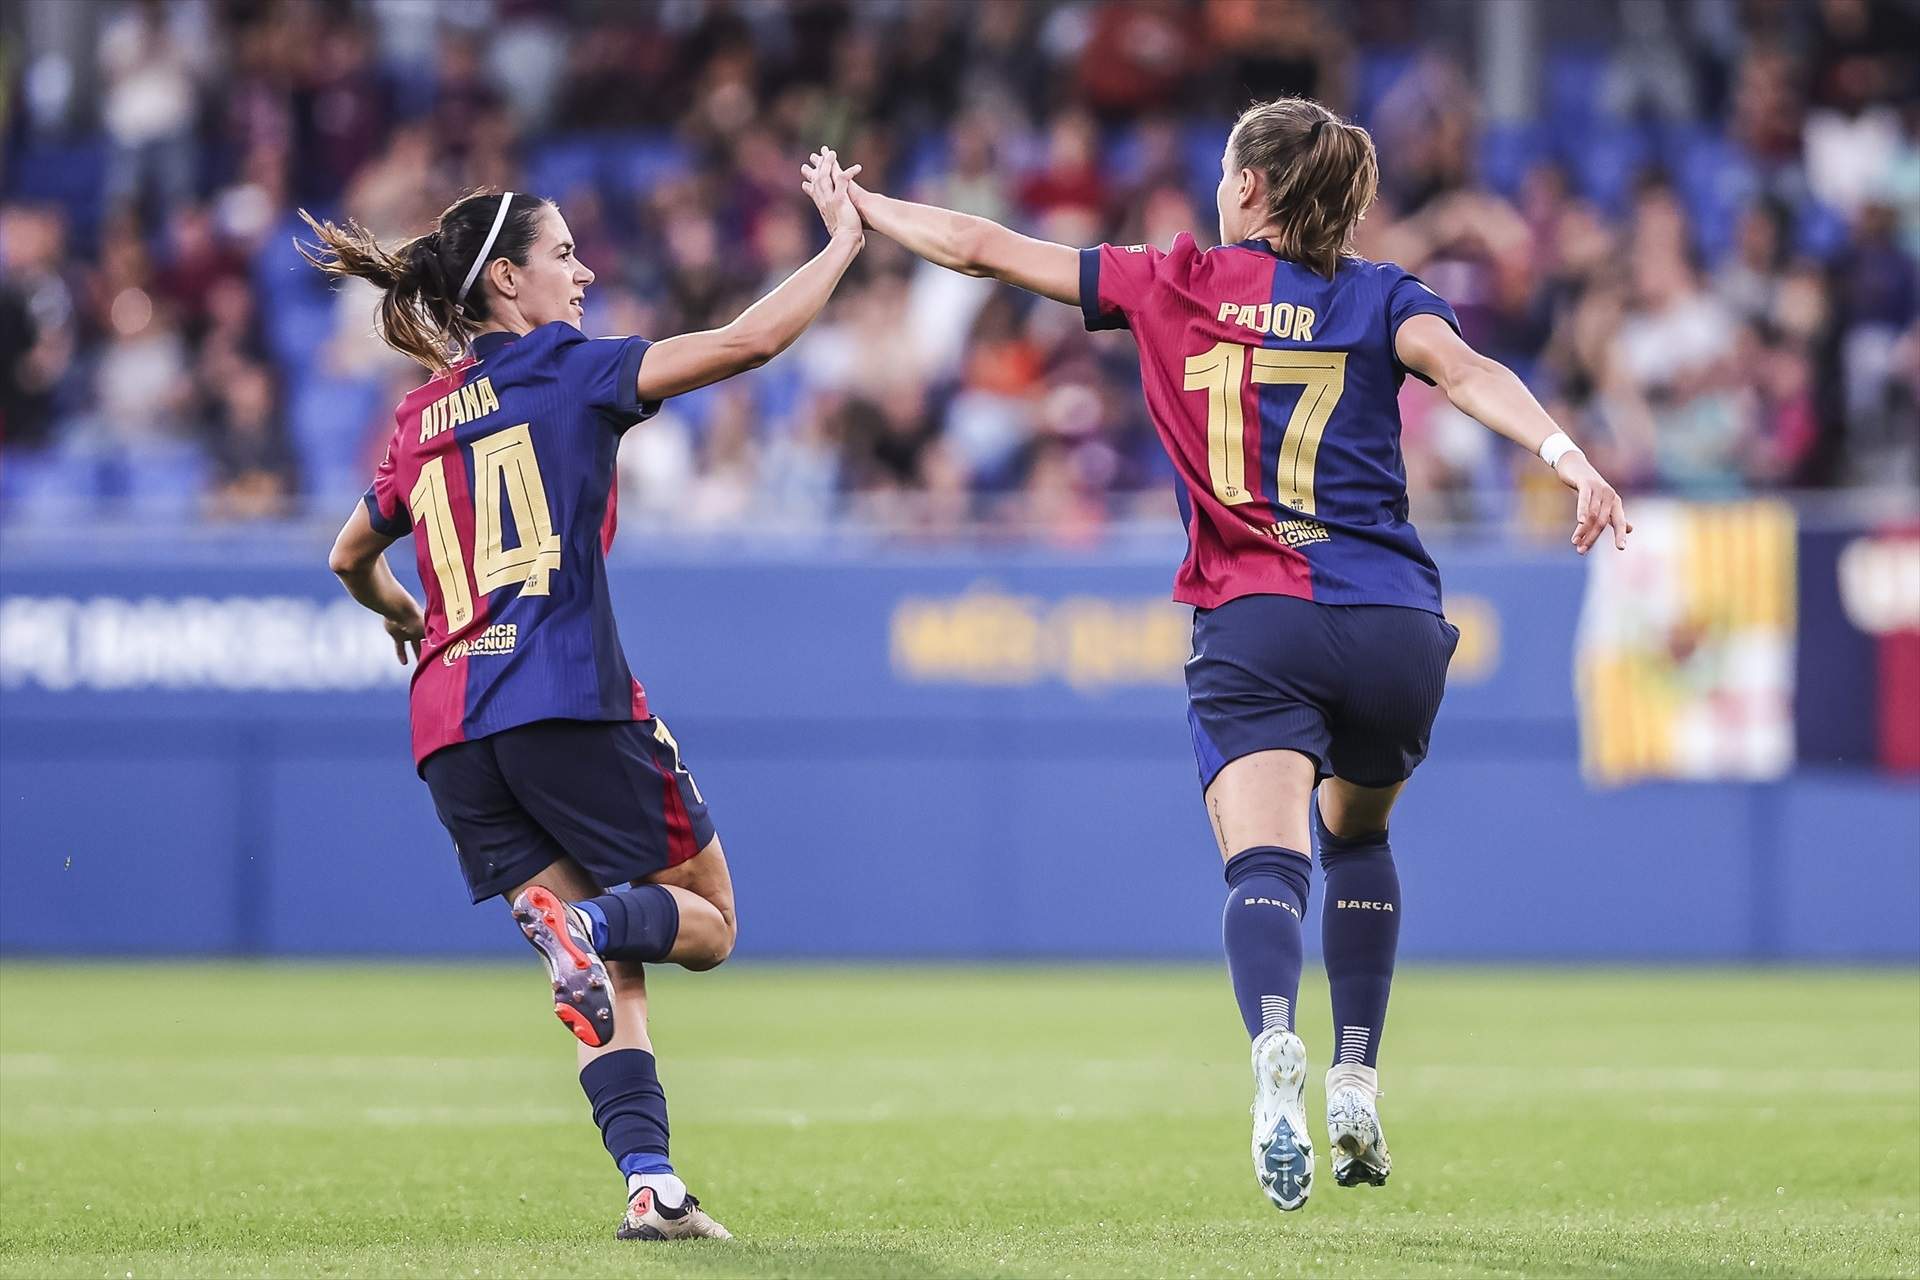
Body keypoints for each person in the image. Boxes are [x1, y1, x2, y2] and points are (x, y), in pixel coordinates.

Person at [821, 98, 1628, 1212]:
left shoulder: (1174, 279)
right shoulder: (1383, 293)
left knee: (1265, 864)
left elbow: (979, 247)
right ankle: (1355, 1073)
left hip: (1257, 616)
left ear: (1250, 188)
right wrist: (1566, 454)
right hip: (1392, 620)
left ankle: (1275, 1057)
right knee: (1360, 837)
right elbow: (1465, 369)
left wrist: (862, 206)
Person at [310, 149, 866, 1241]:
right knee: (704, 924)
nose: (586, 274)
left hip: (450, 732)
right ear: (507, 281)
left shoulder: (421, 416)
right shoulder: (568, 368)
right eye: (565, 254)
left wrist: (403, 613)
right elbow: (751, 341)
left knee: (606, 970)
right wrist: (844, 240)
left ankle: (651, 1183)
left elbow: (347, 554)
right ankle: (592, 922)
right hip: (562, 693)